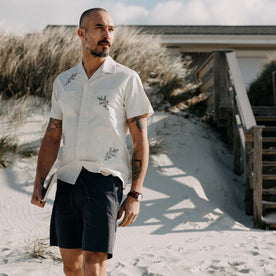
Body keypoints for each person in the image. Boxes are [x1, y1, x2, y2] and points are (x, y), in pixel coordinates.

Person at [31, 7, 153, 276]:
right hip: (68, 180)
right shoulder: (64, 81)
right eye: (99, 28)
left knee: (94, 262)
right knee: (71, 266)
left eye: (110, 29)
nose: (106, 35)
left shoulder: (126, 78)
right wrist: (39, 180)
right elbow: (53, 135)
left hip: (104, 180)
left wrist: (135, 193)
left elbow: (140, 139)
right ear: (81, 33)